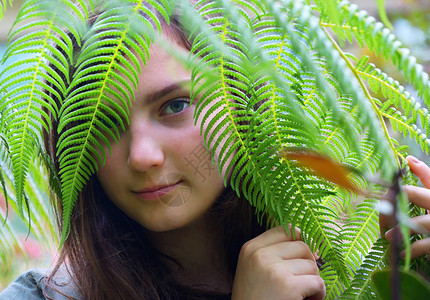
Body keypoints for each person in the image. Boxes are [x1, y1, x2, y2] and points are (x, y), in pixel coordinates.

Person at [1, 2, 430, 300]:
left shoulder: (346, 278)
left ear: (243, 105)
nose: (143, 157)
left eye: (175, 105)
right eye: (104, 123)